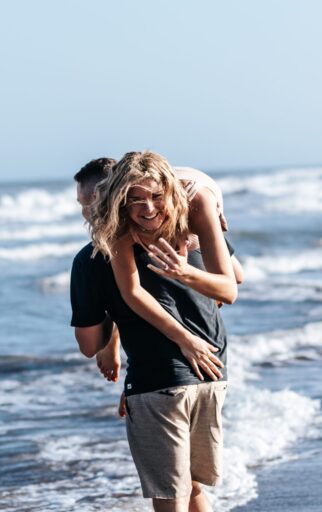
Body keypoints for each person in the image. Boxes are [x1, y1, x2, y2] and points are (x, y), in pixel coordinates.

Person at [71, 153, 233, 511]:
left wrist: (108, 341)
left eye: (86, 203)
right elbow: (233, 277)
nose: (84, 212)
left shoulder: (93, 256)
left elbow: (87, 343)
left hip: (159, 380)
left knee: (169, 496)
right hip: (212, 371)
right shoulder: (183, 225)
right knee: (191, 488)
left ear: (105, 197)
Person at [78, 154, 243, 387]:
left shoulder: (196, 203)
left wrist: (185, 272)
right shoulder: (119, 219)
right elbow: (132, 292)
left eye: (155, 197)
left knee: (232, 275)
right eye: (136, 200)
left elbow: (230, 289)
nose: (147, 208)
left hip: (193, 197)